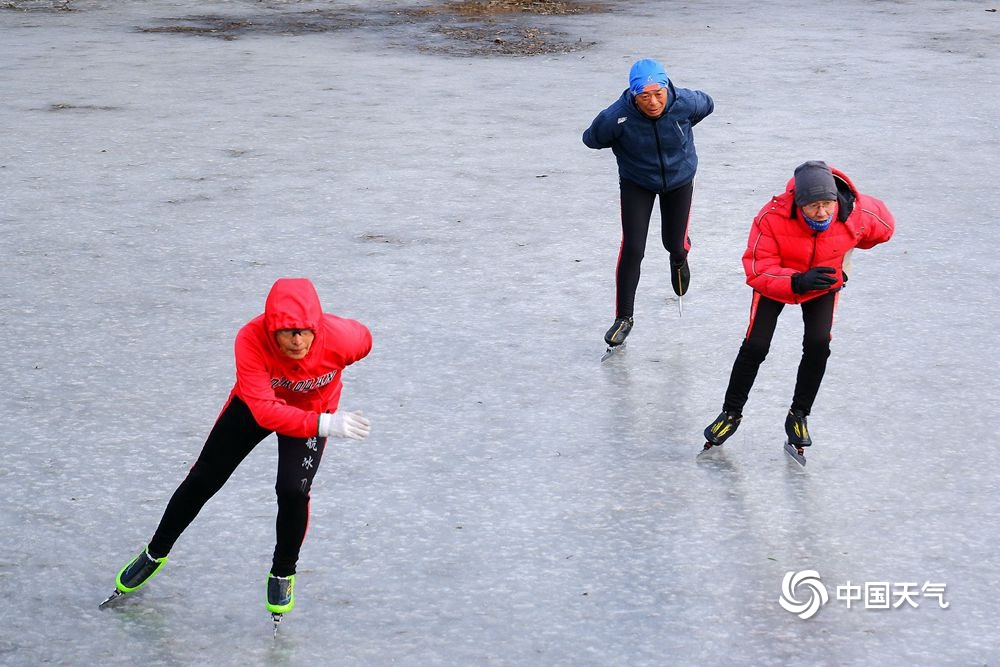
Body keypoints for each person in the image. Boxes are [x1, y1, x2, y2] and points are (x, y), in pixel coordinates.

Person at [109, 277, 373, 618]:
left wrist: (323, 408)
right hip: (256, 407)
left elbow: (366, 339)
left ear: (318, 327)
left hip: (311, 411)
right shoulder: (250, 339)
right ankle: (155, 552)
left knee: (293, 490)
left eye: (305, 331)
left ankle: (283, 572)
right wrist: (326, 425)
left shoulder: (344, 339)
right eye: (287, 331)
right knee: (204, 478)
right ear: (270, 329)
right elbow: (265, 411)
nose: (297, 340)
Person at [703, 161, 895, 449]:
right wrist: (796, 281)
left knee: (819, 344)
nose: (822, 212)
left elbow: (885, 228)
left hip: (824, 284)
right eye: (813, 206)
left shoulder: (853, 212)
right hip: (779, 282)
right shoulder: (771, 217)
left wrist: (846, 260)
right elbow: (757, 268)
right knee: (756, 346)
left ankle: (799, 414)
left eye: (827, 204)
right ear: (798, 204)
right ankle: (731, 412)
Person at [583, 58, 714, 347]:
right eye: (644, 96)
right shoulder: (617, 116)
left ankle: (679, 257)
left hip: (679, 180)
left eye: (658, 94)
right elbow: (591, 139)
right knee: (633, 247)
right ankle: (624, 318)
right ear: (633, 95)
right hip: (637, 183)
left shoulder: (685, 103)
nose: (653, 102)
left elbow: (708, 103)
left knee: (674, 242)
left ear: (667, 89)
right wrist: (613, 134)